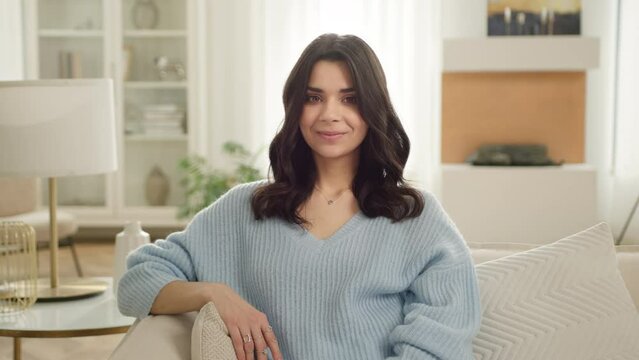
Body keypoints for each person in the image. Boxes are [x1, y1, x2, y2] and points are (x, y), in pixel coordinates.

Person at [117, 33, 481, 360]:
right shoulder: (244, 210)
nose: (329, 114)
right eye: (314, 98)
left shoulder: (415, 217)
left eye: (349, 99)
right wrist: (213, 293)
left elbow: (441, 341)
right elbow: (136, 283)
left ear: (373, 109)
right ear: (296, 108)